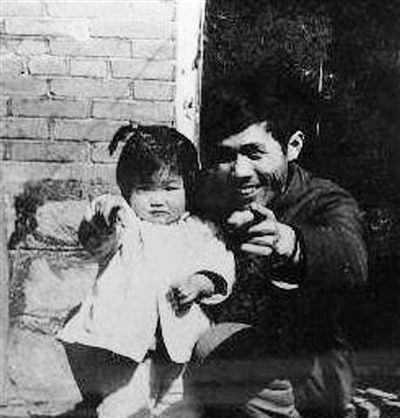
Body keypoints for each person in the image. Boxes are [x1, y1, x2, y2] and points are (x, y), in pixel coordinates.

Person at [177, 64, 368, 418]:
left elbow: (352, 258)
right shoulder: (210, 192)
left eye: (254, 153)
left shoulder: (324, 199)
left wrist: (290, 243)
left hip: (309, 375)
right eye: (226, 155)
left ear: (292, 146)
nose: (239, 172)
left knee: (213, 344)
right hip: (224, 370)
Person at [57, 125, 235, 418]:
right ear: (128, 191)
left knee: (182, 407)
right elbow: (96, 235)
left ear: (188, 188)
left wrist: (200, 282)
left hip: (181, 344)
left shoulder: (197, 231)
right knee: (121, 406)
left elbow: (220, 263)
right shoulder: (126, 226)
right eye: (144, 188)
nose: (157, 200)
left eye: (170, 188)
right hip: (126, 348)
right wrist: (104, 214)